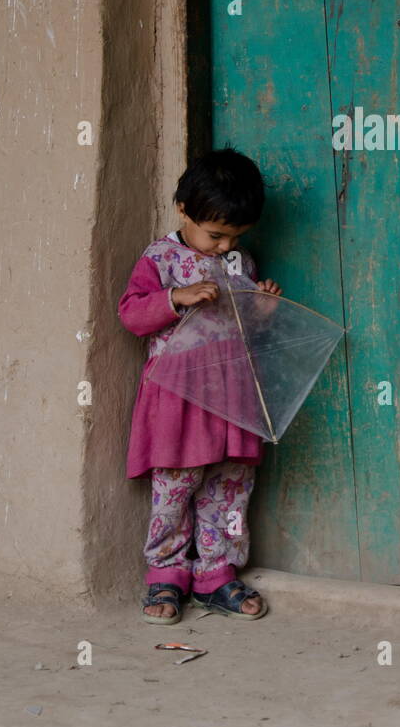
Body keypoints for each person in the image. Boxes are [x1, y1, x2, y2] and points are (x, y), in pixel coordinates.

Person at [118, 148, 282, 623]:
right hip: (179, 398)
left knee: (231, 485)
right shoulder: (160, 258)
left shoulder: (239, 263)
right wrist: (174, 297)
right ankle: (166, 575)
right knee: (175, 485)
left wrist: (261, 312)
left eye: (234, 236)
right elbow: (131, 314)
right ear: (184, 209)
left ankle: (216, 574)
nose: (222, 245)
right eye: (215, 234)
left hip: (231, 395)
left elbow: (243, 329)